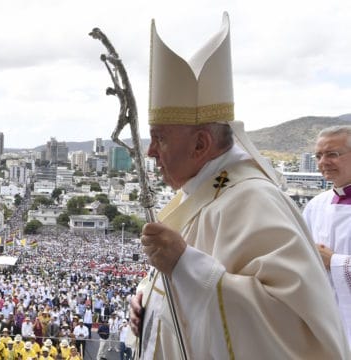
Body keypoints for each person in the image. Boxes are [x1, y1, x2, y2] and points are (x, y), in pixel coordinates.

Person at [128, 12, 350, 359]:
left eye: (159, 138)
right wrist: (146, 300)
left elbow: (291, 330)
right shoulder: (199, 194)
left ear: (201, 145)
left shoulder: (252, 200)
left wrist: (184, 266)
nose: (151, 151)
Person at [302, 125, 351, 344]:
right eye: (318, 156)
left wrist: (335, 262)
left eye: (333, 154)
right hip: (325, 322)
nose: (323, 162)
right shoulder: (315, 205)